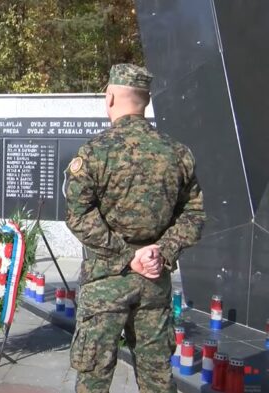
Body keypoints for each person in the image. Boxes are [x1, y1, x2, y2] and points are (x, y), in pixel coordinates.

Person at [65, 64, 206, 393]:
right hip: (154, 283)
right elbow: (194, 214)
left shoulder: (95, 153)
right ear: (146, 101)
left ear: (110, 96)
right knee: (158, 380)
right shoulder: (177, 154)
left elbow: (78, 216)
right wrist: (161, 252)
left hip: (105, 284)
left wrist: (128, 256)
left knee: (94, 378)